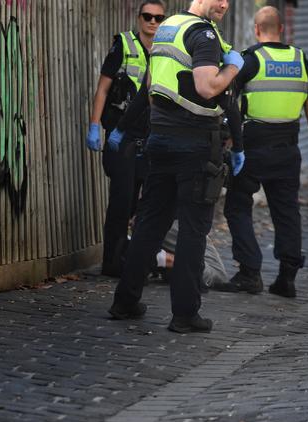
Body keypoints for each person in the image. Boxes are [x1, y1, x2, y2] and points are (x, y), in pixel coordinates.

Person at [108, 0, 244, 334]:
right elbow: (208, 87)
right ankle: (185, 314)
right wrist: (233, 69)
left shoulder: (168, 29)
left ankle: (125, 302)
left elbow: (148, 86)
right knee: (194, 230)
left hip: (161, 141)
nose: (225, 4)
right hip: (195, 145)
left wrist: (124, 127)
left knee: (150, 224)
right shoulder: (204, 34)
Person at [219, 6, 308, 297]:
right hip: (288, 147)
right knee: (286, 211)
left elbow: (228, 101)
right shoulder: (301, 60)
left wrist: (228, 142)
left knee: (236, 205)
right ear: (282, 29)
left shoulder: (251, 60)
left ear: (256, 30)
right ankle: (287, 277)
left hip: (254, 146)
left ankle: (250, 272)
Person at [86, 0, 166, 277]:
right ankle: (112, 263)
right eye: (148, 16)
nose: (152, 22)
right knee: (121, 201)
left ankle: (130, 258)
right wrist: (95, 124)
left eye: (158, 18)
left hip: (151, 137)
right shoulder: (124, 44)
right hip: (122, 136)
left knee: (138, 204)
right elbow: (103, 89)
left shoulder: (165, 51)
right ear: (139, 18)